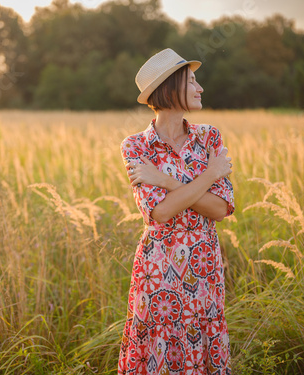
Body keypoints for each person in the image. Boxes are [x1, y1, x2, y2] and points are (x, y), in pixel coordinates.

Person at [118, 48, 235, 374]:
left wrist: (164, 180)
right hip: (157, 270)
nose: (200, 88)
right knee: (158, 349)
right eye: (193, 81)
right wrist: (209, 175)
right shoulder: (135, 146)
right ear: (170, 86)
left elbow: (220, 208)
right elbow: (159, 214)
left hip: (203, 265)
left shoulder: (210, 137)